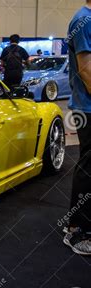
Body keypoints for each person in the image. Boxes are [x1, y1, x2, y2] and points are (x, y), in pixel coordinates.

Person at [63, 0, 91, 255]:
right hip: (88, 108)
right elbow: (86, 70)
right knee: (88, 167)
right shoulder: (84, 20)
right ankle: (76, 229)